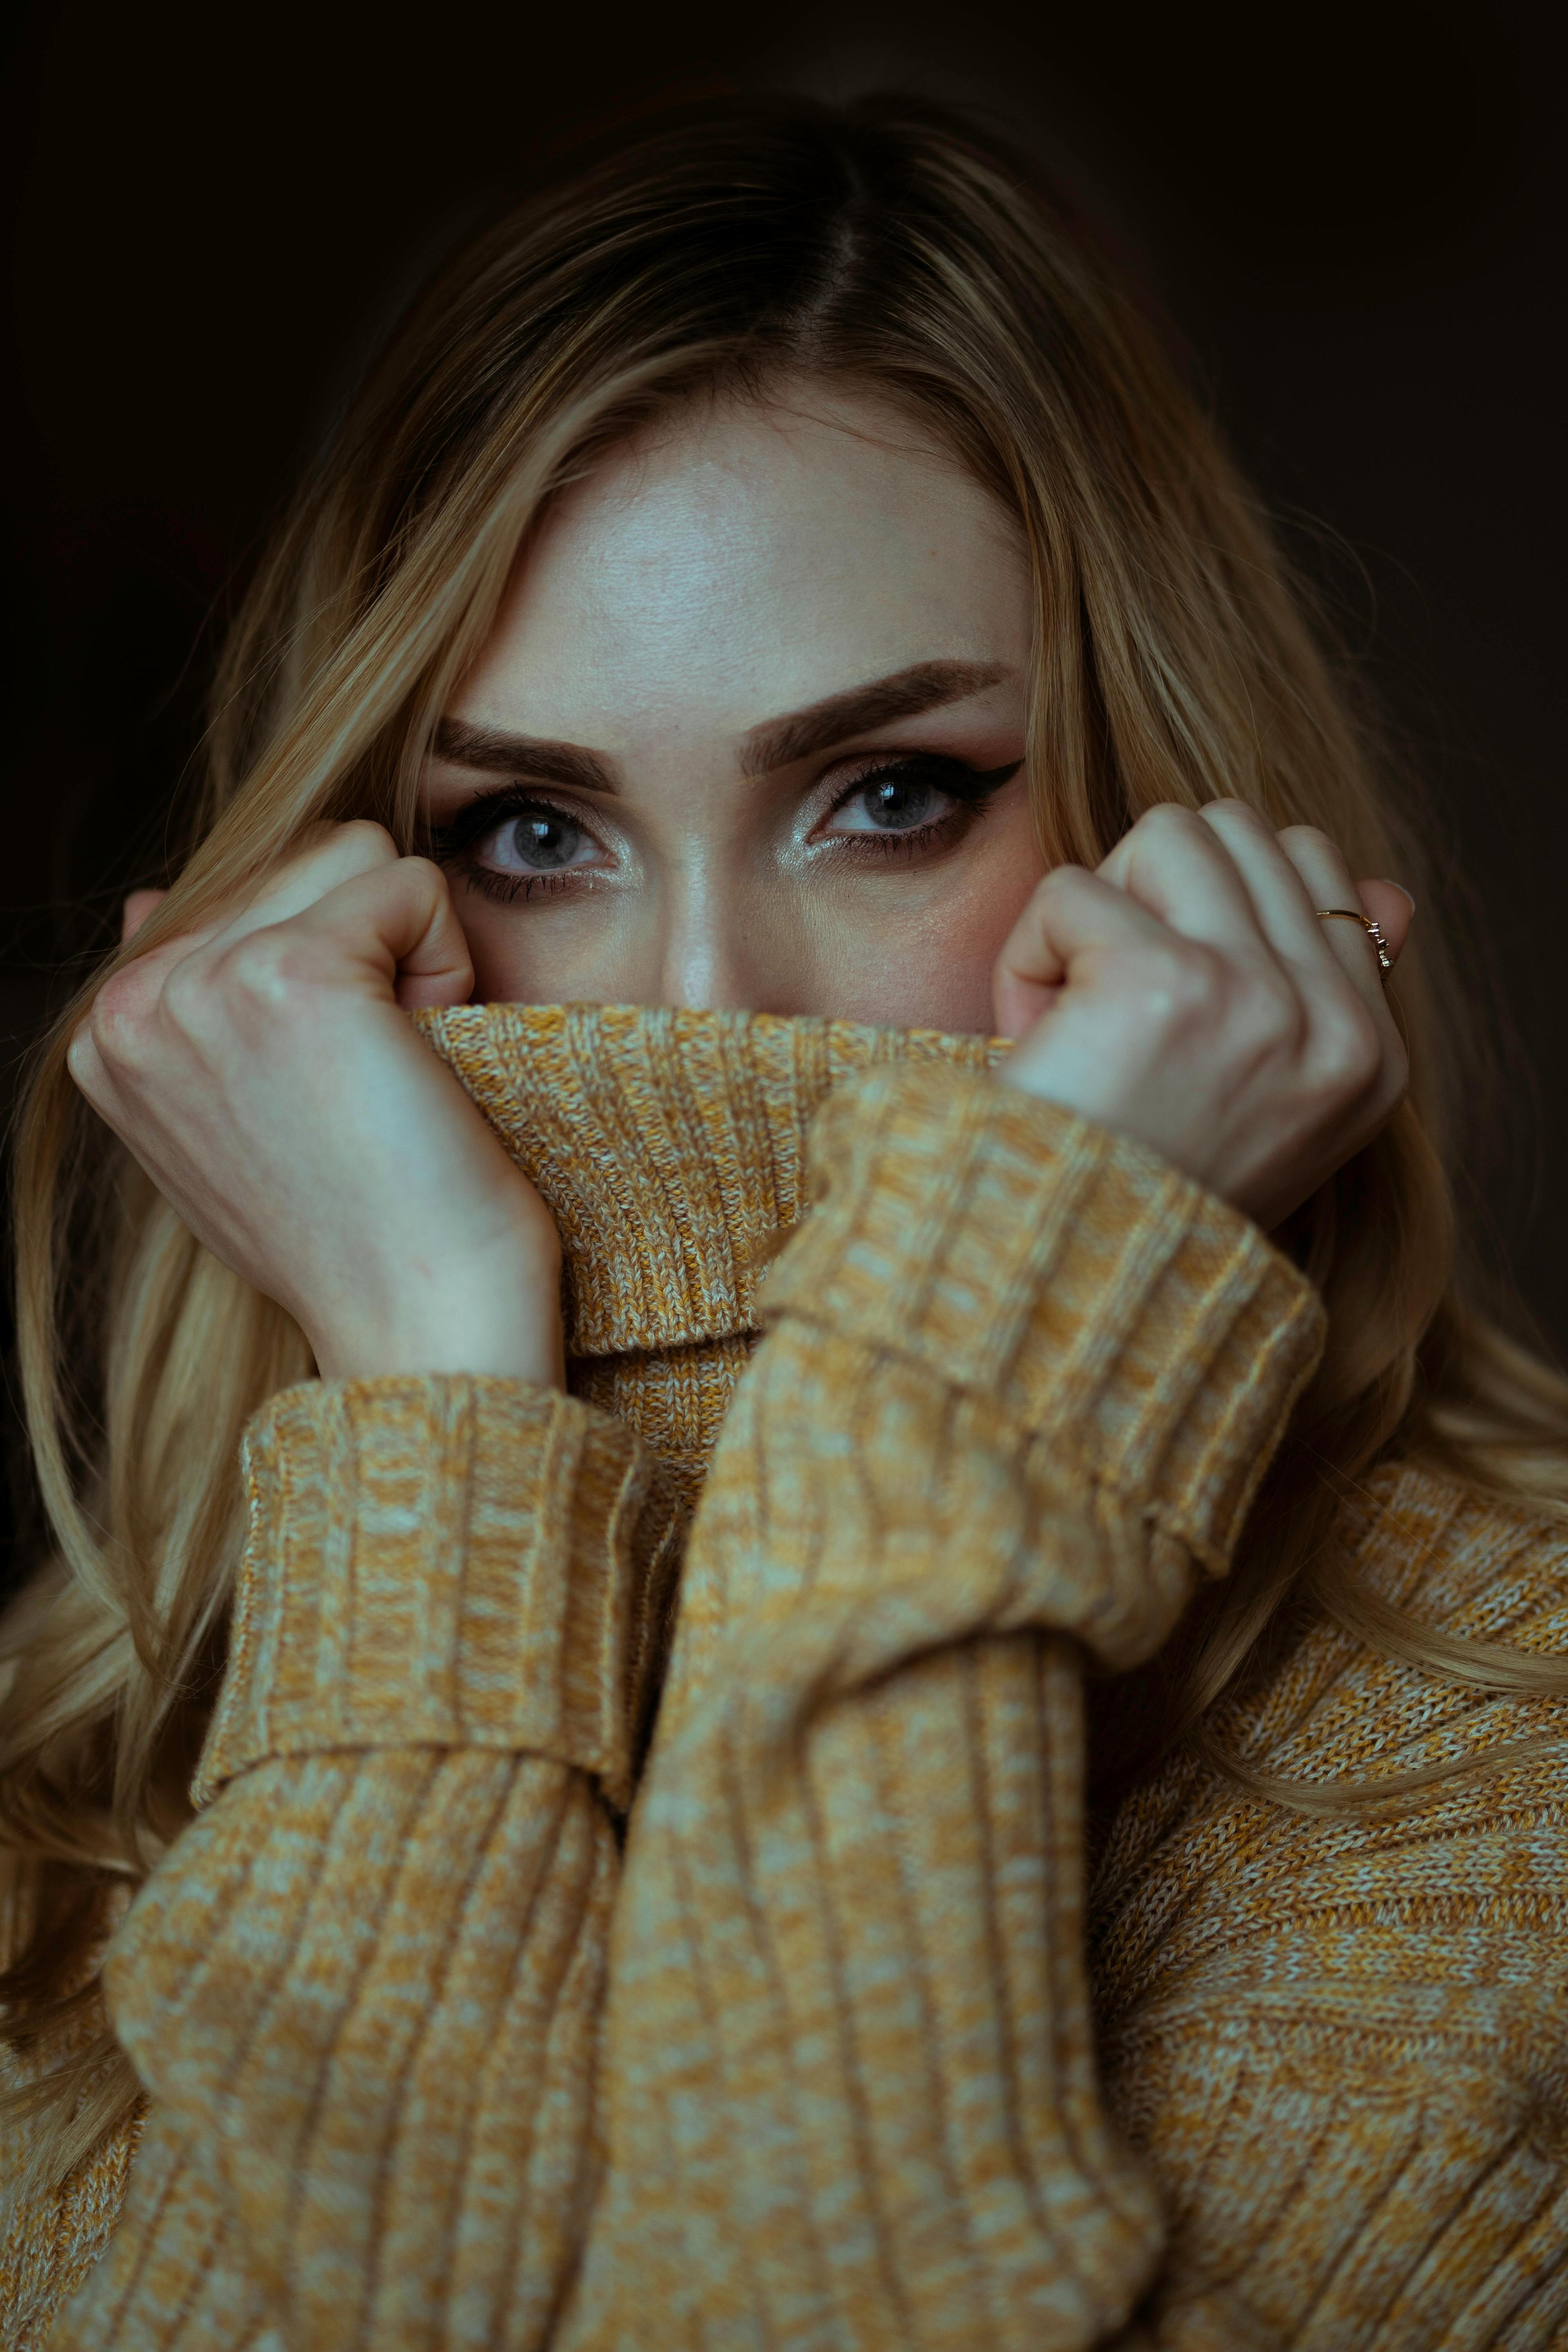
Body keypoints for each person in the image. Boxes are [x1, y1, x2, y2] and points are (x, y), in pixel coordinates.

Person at [2, 94, 1566, 2352]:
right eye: (536, 834)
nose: (702, 1002)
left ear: (1169, 847)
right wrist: (435, 1389)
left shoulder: (1496, 1775)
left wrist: (939, 1428)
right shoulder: (88, 1792)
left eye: (890, 800)